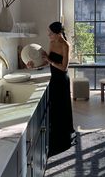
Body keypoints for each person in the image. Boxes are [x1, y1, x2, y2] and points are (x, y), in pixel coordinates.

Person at [28, 21, 76, 157]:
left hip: (62, 80)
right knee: (54, 108)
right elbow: (46, 60)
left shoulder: (65, 45)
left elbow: (64, 67)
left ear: (58, 33)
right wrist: (35, 65)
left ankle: (63, 139)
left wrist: (49, 61)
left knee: (62, 108)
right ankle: (54, 138)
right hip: (53, 79)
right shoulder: (51, 43)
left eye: (51, 33)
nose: (48, 35)